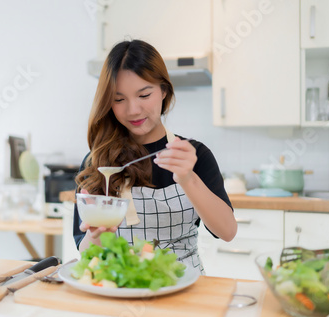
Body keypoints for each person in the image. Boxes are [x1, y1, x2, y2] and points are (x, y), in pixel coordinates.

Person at [73, 39, 237, 274]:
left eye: (144, 95)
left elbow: (227, 232)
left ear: (164, 91)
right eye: (119, 99)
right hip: (119, 286)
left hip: (184, 284)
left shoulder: (193, 155)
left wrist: (188, 178)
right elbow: (86, 254)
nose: (133, 110)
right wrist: (96, 236)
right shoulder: (97, 162)